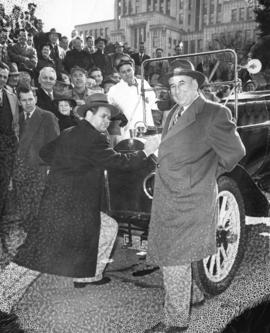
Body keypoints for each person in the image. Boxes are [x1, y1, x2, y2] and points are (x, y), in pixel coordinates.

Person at [7, 93, 160, 291]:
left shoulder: (69, 132)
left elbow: (45, 153)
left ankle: (87, 275)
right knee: (32, 258)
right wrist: (147, 151)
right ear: (88, 114)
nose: (107, 121)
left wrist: (71, 165)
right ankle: (2, 300)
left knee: (108, 227)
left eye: (108, 117)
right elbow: (119, 163)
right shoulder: (94, 138)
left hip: (60, 202)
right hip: (70, 208)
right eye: (103, 116)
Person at [144, 59, 246, 333]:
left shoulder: (214, 113)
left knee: (171, 256)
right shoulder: (171, 114)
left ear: (197, 84)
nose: (176, 91)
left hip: (191, 197)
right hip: (167, 194)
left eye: (182, 84)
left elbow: (235, 153)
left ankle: (176, 322)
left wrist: (205, 174)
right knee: (176, 252)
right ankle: (193, 296)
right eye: (172, 86)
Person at [12, 85, 59, 231]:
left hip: (40, 170)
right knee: (25, 211)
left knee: (41, 211)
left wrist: (51, 169)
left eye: (31, 99)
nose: (28, 103)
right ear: (19, 102)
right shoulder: (17, 119)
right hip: (21, 171)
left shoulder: (47, 117)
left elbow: (55, 146)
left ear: (36, 99)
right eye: (24, 100)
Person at [107, 59, 156, 142]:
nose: (127, 74)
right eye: (123, 72)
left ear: (133, 69)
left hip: (147, 125)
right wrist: (117, 115)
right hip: (128, 130)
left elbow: (152, 101)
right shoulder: (114, 90)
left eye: (129, 70)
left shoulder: (143, 83)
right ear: (119, 74)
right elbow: (109, 108)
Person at [0, 62, 19, 221]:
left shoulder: (11, 96)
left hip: (7, 147)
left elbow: (15, 124)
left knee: (4, 184)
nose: (2, 79)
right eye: (0, 76)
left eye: (5, 77)